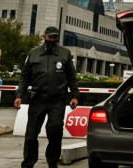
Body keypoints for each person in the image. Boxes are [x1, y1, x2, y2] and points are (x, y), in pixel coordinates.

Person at [15, 26, 79, 168]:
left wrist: (74, 96)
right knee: (31, 134)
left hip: (57, 100)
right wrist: (19, 95)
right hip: (37, 99)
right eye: (50, 37)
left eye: (55, 37)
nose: (52, 40)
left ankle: (52, 162)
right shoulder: (33, 53)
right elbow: (25, 77)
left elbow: (72, 77)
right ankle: (28, 163)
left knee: (55, 130)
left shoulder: (65, 53)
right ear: (44, 37)